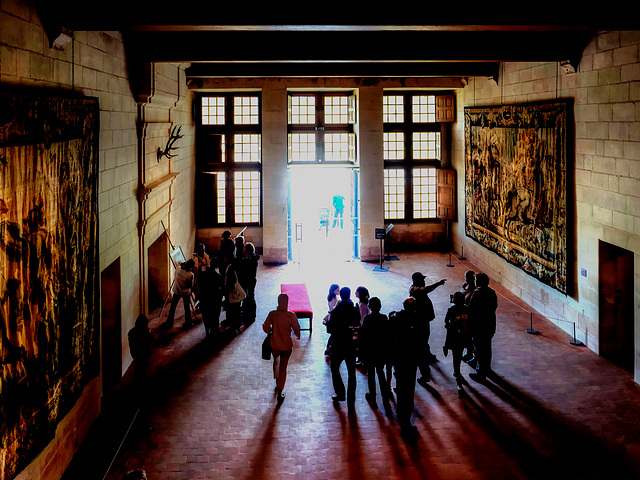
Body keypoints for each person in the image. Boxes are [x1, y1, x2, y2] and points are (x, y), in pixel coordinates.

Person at [389, 297, 422, 442]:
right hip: (411, 359)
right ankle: (406, 421)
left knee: (402, 387)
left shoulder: (396, 318)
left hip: (399, 357)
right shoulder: (417, 320)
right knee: (409, 390)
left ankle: (403, 419)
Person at [409, 272, 446, 388]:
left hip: (424, 320)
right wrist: (438, 283)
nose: (424, 281)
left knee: (424, 339)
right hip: (421, 321)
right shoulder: (415, 290)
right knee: (422, 340)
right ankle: (425, 359)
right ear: (415, 281)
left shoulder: (418, 289)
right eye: (421, 279)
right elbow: (426, 290)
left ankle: (427, 354)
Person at [263, 293, 301, 403]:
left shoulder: (272, 314)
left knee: (276, 362)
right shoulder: (291, 315)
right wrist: (297, 335)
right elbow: (297, 329)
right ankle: (280, 391)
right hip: (286, 345)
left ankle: (277, 380)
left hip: (274, 344)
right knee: (283, 367)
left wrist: (270, 331)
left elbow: (265, 327)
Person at [325, 287, 361, 404]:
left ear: (341, 295)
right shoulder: (355, 310)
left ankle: (340, 393)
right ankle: (352, 397)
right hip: (351, 344)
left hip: (338, 344)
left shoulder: (337, 311)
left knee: (335, 369)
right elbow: (358, 323)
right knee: (352, 372)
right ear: (349, 295)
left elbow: (329, 329)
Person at [360, 297, 391, 409]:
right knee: (381, 373)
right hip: (381, 350)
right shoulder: (384, 318)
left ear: (370, 307)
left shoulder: (367, 319)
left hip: (370, 350)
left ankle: (372, 395)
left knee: (371, 374)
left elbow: (363, 336)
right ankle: (384, 395)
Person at [468, 273, 498, 382]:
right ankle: (487, 368)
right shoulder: (492, 292)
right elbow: (494, 307)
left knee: (479, 349)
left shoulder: (477, 293)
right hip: (489, 324)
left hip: (479, 326)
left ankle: (480, 373)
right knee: (487, 348)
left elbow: (471, 310)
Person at [442, 292, 470, 390]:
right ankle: (458, 375)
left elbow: (446, 322)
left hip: (461, 337)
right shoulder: (455, 310)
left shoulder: (464, 309)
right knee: (457, 356)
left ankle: (457, 372)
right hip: (457, 338)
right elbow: (446, 322)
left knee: (457, 356)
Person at [161, 259, 195, 330]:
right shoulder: (190, 274)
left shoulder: (178, 268)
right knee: (187, 308)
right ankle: (188, 323)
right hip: (185, 292)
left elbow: (175, 276)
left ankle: (169, 322)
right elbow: (190, 285)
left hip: (176, 290)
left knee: (172, 307)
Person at [127, 314, 154, 388]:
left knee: (138, 367)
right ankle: (140, 382)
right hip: (144, 353)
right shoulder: (144, 332)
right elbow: (149, 339)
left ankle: (137, 381)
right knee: (142, 368)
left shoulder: (132, 332)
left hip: (135, 353)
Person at [198, 262, 223, 338]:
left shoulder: (202, 274)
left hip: (204, 300)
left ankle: (207, 332)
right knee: (215, 316)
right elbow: (220, 290)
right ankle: (214, 331)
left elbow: (199, 286)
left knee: (205, 316)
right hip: (214, 301)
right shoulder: (218, 276)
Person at [239, 242, 260, 325]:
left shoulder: (253, 260)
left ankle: (252, 316)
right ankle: (246, 315)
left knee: (251, 297)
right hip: (246, 280)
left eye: (245, 248)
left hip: (250, 280)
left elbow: (249, 271)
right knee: (246, 298)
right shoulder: (247, 258)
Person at [460, 270, 477, 363]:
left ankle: (472, 354)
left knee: (471, 337)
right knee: (466, 337)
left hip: (470, 317)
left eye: (468, 278)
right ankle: (469, 352)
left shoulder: (475, 290)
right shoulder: (465, 286)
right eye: (466, 277)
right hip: (464, 315)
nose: (466, 279)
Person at [323, 284, 340, 357]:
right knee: (334, 334)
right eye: (337, 290)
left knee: (333, 335)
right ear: (333, 291)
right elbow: (333, 309)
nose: (339, 291)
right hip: (333, 317)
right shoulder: (334, 298)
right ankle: (329, 349)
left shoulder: (331, 296)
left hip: (331, 316)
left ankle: (330, 348)